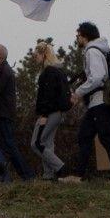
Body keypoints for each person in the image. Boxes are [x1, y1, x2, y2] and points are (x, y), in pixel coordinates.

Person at [65, 21, 110, 182]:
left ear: (85, 36)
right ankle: (79, 175)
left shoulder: (92, 51)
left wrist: (78, 92)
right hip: (96, 102)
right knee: (85, 136)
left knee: (106, 137)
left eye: (78, 35)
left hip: (99, 102)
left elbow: (97, 77)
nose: (76, 38)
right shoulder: (96, 51)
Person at [0, 43, 32, 181]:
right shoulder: (3, 69)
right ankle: (14, 175)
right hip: (4, 113)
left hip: (4, 114)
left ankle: (26, 175)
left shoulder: (3, 71)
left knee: (9, 145)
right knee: (4, 145)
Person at [30, 38, 70, 180]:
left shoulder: (48, 73)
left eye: (36, 55)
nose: (35, 58)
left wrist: (44, 114)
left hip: (49, 113)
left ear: (44, 55)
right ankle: (49, 175)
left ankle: (59, 167)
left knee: (36, 143)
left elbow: (48, 95)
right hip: (58, 113)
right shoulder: (59, 71)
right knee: (47, 143)